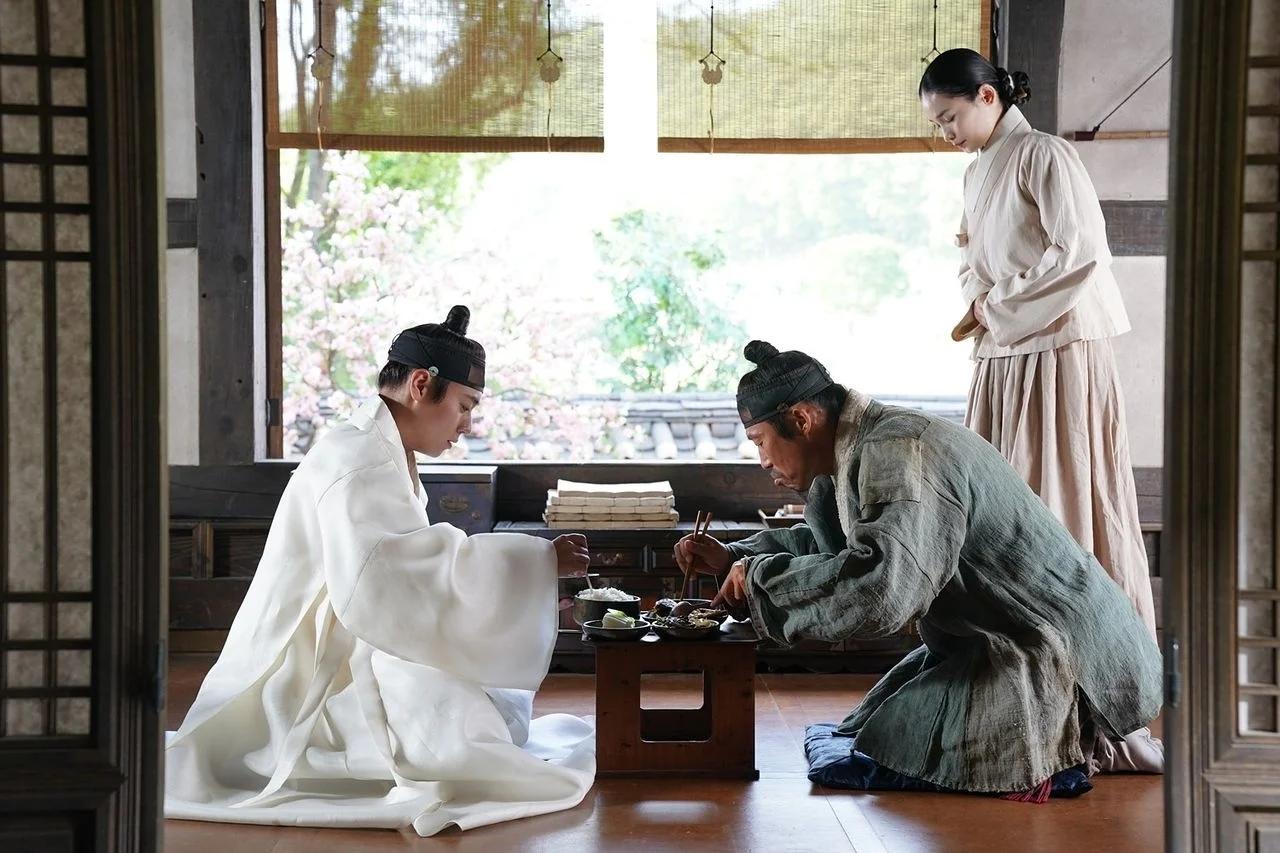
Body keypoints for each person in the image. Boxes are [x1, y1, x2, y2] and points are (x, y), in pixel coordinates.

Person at [166, 306, 596, 837]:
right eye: (465, 406)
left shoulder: (374, 443)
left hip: (366, 621)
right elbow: (390, 574)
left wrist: (525, 577)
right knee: (458, 736)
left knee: (482, 719)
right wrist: (537, 562)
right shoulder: (361, 460)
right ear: (421, 384)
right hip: (324, 654)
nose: (466, 426)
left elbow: (405, 567)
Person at [676, 342, 1163, 798]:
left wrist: (761, 580)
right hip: (993, 633)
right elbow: (839, 544)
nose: (761, 461)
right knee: (882, 723)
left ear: (801, 419)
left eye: (760, 441)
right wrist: (733, 558)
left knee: (911, 742)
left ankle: (1093, 735)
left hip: (1053, 647)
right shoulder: (856, 449)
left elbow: (880, 586)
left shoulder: (901, 452)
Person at [920, 48, 1157, 639]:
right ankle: (1009, 644)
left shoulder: (1044, 154)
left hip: (1055, 346)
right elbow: (981, 258)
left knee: (1060, 489)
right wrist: (982, 304)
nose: (946, 133)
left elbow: (1077, 253)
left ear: (987, 97)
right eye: (937, 124)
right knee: (999, 495)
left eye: (950, 117)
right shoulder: (978, 170)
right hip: (1001, 350)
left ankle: (1082, 644)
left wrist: (994, 306)